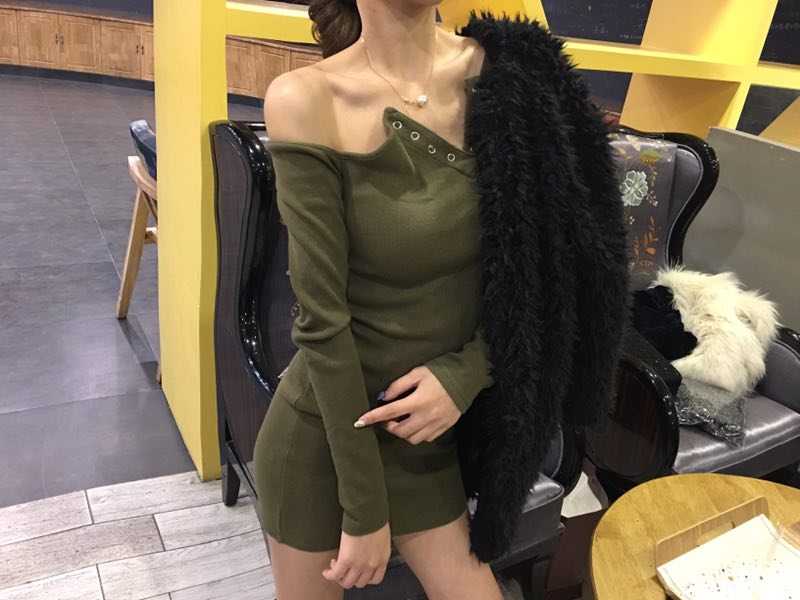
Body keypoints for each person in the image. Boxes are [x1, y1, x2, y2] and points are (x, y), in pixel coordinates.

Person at [253, 0, 505, 598]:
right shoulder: (306, 99)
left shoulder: (502, 73)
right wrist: (363, 510)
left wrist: (467, 373)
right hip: (327, 438)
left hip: (425, 442)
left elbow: (549, 271)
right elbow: (321, 321)